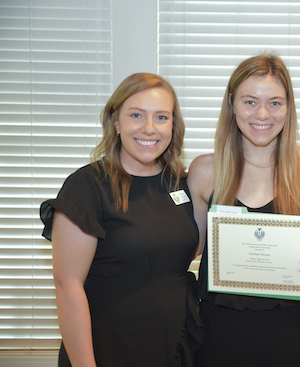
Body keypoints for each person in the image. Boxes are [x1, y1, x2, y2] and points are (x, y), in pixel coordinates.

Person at [187, 53, 300, 367]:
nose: (263, 114)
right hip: (216, 334)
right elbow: (188, 249)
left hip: (290, 334)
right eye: (250, 102)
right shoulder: (205, 170)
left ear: (289, 106)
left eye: (275, 102)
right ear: (231, 103)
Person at [40, 73, 204, 367]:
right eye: (136, 115)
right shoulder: (88, 186)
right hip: (108, 346)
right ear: (116, 122)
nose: (149, 128)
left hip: (173, 344)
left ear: (173, 125)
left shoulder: (180, 184)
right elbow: (68, 286)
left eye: (161, 117)